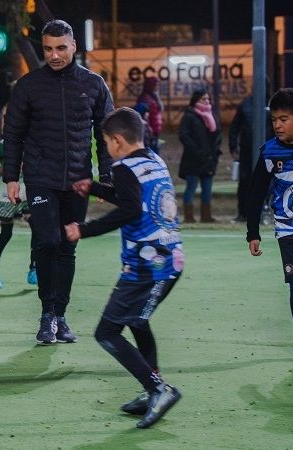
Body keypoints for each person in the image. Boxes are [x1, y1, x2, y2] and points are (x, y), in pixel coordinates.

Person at [64, 106, 183, 429]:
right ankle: (152, 388)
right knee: (138, 321)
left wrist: (83, 229)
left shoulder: (124, 167)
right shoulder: (153, 160)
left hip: (146, 267)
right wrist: (95, 188)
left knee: (107, 332)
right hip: (170, 260)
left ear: (117, 141)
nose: (107, 148)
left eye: (105, 142)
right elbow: (135, 199)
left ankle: (159, 389)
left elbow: (130, 209)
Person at [2, 19, 113, 344]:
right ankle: (47, 313)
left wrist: (105, 177)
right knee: (47, 241)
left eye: (60, 48)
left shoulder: (93, 84)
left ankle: (61, 317)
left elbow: (104, 134)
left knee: (68, 246)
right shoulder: (28, 85)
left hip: (78, 180)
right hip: (40, 178)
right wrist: (11, 176)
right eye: (48, 48)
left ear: (74, 46)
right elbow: (13, 135)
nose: (54, 55)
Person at [245, 88, 293, 363]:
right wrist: (252, 232)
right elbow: (255, 193)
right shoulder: (269, 152)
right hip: (289, 229)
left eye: (284, 119)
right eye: (274, 119)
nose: (277, 124)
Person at [0, 139, 36, 289]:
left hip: (29, 189)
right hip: (8, 193)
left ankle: (34, 268)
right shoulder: (3, 144)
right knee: (6, 234)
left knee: (37, 228)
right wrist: (10, 169)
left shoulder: (34, 137)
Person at [178, 88, 222, 223]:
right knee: (191, 187)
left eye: (208, 99)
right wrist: (196, 151)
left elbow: (217, 135)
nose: (207, 101)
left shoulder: (212, 115)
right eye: (204, 99)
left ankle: (206, 216)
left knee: (207, 188)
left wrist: (215, 153)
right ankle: (189, 216)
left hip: (209, 160)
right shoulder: (189, 116)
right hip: (193, 160)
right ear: (196, 100)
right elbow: (183, 135)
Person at [229, 92, 274, 223]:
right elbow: (235, 126)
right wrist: (233, 146)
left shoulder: (272, 104)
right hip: (247, 150)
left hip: (267, 150)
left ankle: (265, 212)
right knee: (245, 182)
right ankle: (242, 213)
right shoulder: (246, 104)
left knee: (266, 182)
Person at [136, 77, 163, 151]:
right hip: (149, 131)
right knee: (151, 151)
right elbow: (143, 115)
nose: (157, 87)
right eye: (155, 85)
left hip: (155, 129)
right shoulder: (145, 98)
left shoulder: (154, 96)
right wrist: (148, 128)